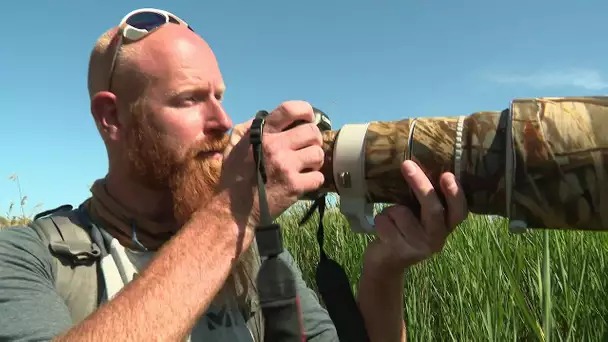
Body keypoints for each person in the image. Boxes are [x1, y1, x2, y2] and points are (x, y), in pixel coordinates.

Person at [0, 8, 468, 342]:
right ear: (113, 119)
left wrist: (383, 270)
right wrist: (234, 210)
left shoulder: (252, 259)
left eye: (220, 97)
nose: (223, 122)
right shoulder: (25, 258)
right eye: (189, 99)